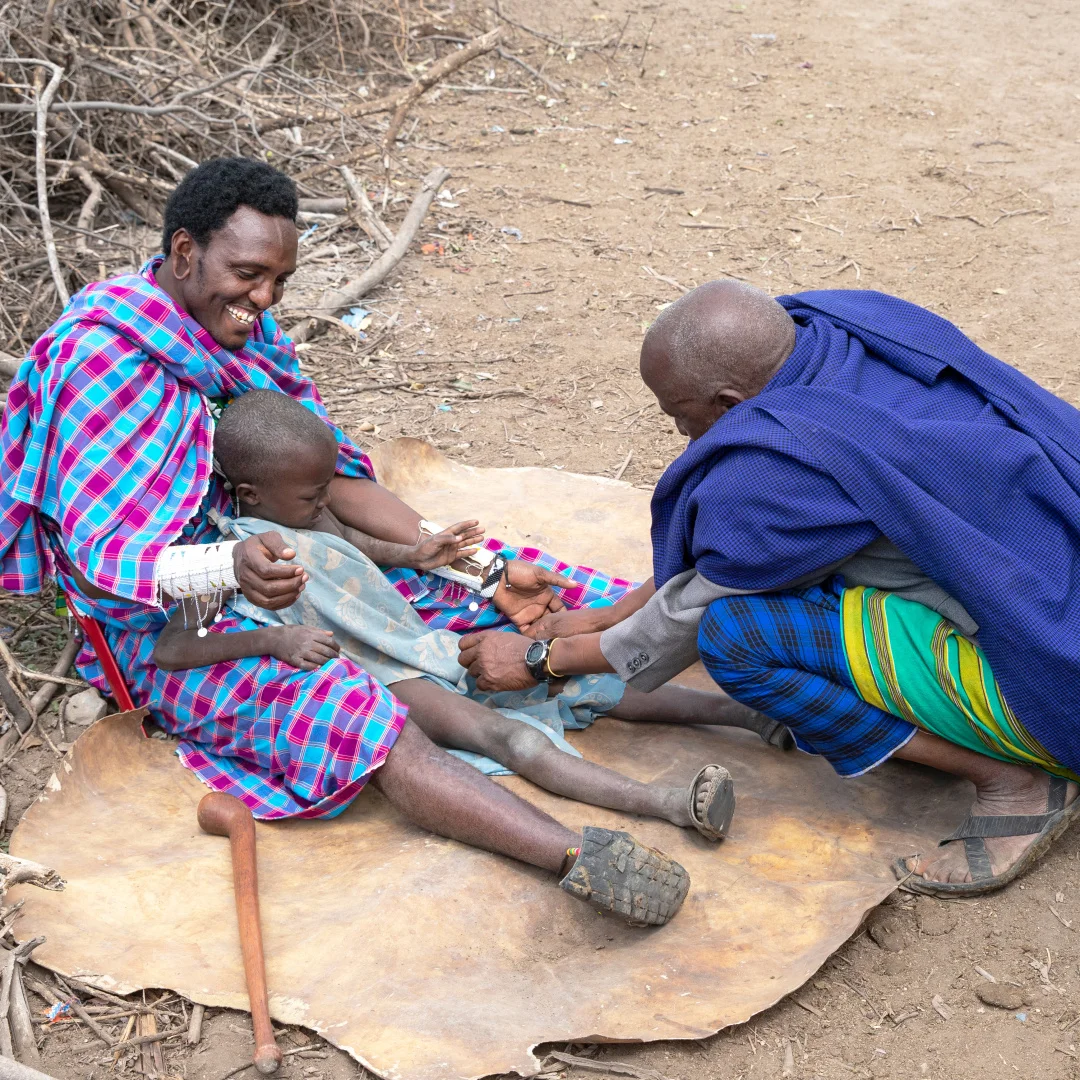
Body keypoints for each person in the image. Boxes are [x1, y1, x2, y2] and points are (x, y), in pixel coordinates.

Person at [0, 157, 700, 926]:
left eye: (279, 282)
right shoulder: (99, 361)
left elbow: (321, 476)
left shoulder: (245, 336)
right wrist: (226, 565)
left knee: (538, 596)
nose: (262, 301)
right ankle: (577, 860)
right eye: (247, 274)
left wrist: (474, 565)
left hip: (290, 552)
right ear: (181, 253)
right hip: (172, 626)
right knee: (352, 713)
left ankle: (757, 675)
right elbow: (104, 566)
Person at [458, 279, 1080, 899]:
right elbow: (744, 544)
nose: (678, 431)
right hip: (1048, 560)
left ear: (729, 400)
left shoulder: (776, 462)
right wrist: (611, 613)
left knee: (737, 638)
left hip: (1057, 667)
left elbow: (702, 601)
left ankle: (1015, 784)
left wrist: (543, 659)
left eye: (678, 413)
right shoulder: (847, 322)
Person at [151, 387, 738, 845]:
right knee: (509, 738)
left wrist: (412, 554)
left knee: (578, 681)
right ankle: (666, 804)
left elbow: (350, 546)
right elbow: (171, 650)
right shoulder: (232, 557)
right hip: (382, 673)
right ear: (250, 494)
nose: (326, 503)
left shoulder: (310, 512)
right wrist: (273, 641)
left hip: (417, 640)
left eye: (326, 488)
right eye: (312, 497)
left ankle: (747, 717)